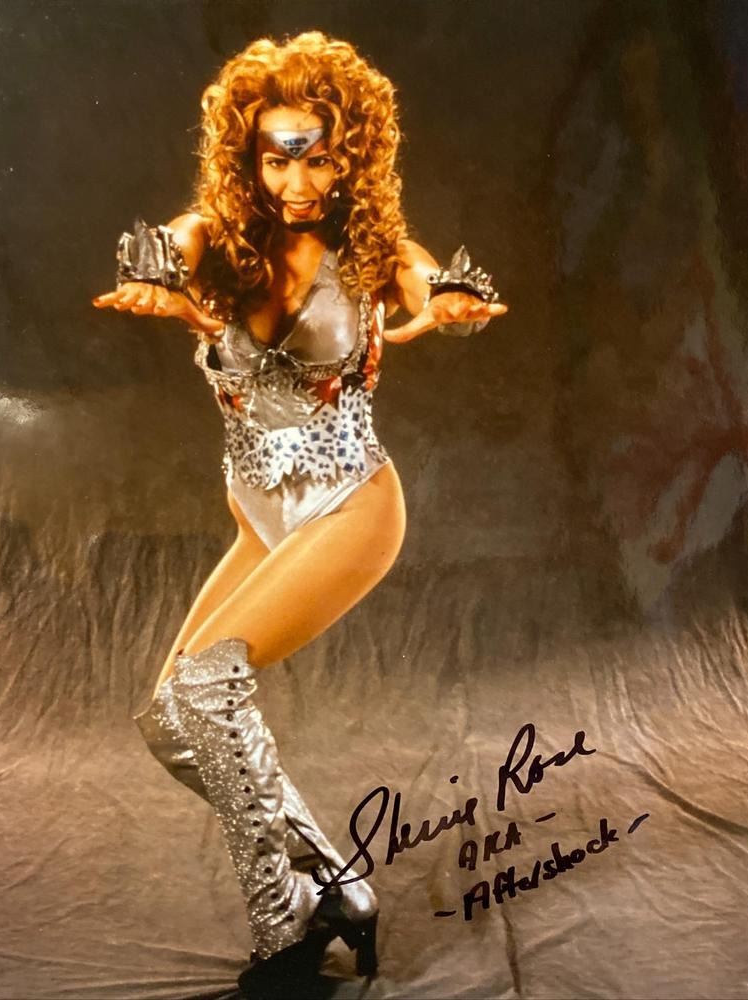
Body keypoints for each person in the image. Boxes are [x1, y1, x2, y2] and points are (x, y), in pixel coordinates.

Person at [93, 31, 507, 998]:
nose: (297, 181)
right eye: (277, 159)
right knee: (169, 722)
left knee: (207, 692)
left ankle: (285, 926)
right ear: (248, 157)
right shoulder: (219, 238)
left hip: (351, 505)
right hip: (262, 517)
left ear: (350, 154)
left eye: (318, 158)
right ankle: (338, 885)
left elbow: (423, 279)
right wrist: (158, 275)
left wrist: (446, 299)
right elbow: (174, 243)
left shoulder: (372, 253)